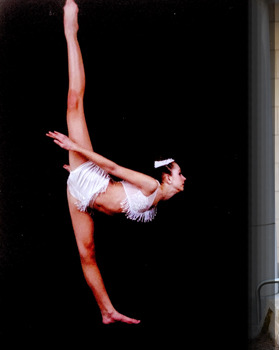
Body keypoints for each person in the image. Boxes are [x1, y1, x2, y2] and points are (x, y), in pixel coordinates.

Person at [46, 0, 186, 325]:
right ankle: (71, 30)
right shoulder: (151, 186)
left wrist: (78, 184)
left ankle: (107, 311)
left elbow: (113, 207)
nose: (184, 179)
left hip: (82, 198)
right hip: (91, 177)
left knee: (87, 254)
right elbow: (112, 170)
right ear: (165, 179)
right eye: (180, 174)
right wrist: (73, 150)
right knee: (73, 102)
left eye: (181, 175)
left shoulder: (154, 208)